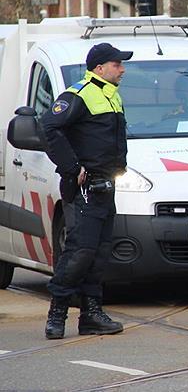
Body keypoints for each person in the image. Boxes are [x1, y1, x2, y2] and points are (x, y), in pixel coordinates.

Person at [40, 42, 131, 339]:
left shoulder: (112, 97)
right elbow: (48, 127)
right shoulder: (78, 94)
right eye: (118, 64)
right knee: (80, 252)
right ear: (100, 68)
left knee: (99, 253)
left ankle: (92, 314)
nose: (122, 69)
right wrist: (72, 167)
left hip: (106, 187)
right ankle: (57, 314)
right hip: (85, 188)